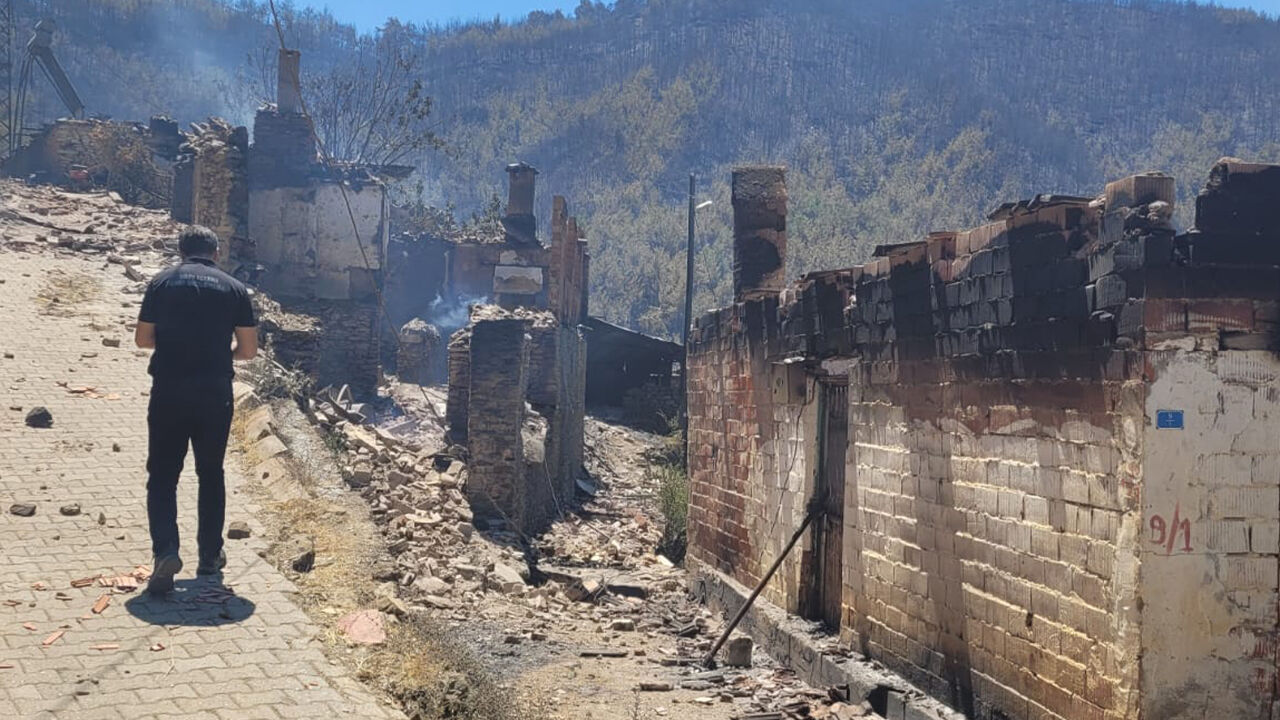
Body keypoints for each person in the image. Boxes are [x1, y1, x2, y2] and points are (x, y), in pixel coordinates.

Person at [134, 226, 258, 594]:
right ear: (216, 253)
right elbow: (248, 350)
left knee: (162, 475)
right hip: (214, 394)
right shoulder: (235, 289)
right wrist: (220, 353)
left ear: (181, 251)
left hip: (169, 390)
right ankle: (210, 557)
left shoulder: (161, 283)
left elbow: (143, 339)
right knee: (211, 473)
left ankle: (166, 552)